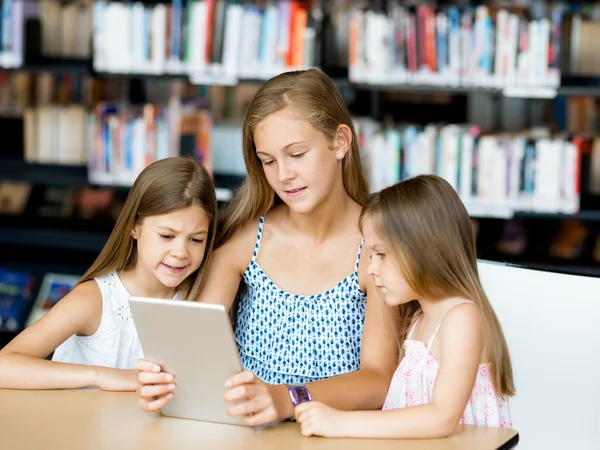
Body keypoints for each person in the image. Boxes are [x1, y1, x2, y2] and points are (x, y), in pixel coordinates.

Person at [135, 69, 398, 425]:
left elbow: (378, 380)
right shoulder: (248, 240)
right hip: (248, 436)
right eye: (268, 161)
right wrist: (163, 381)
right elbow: (191, 348)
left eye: (297, 154)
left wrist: (289, 398)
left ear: (340, 142)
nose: (283, 174)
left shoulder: (377, 249)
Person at [294, 175, 515, 438]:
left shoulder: (461, 318)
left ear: (425, 248)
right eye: (369, 256)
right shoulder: (418, 321)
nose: (371, 269)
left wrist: (339, 423)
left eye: (382, 254)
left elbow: (441, 418)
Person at [0, 157, 217, 391]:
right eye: (166, 236)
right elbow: (5, 365)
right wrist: (102, 376)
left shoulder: (203, 300)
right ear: (134, 226)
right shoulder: (94, 299)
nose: (180, 252)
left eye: (196, 239)